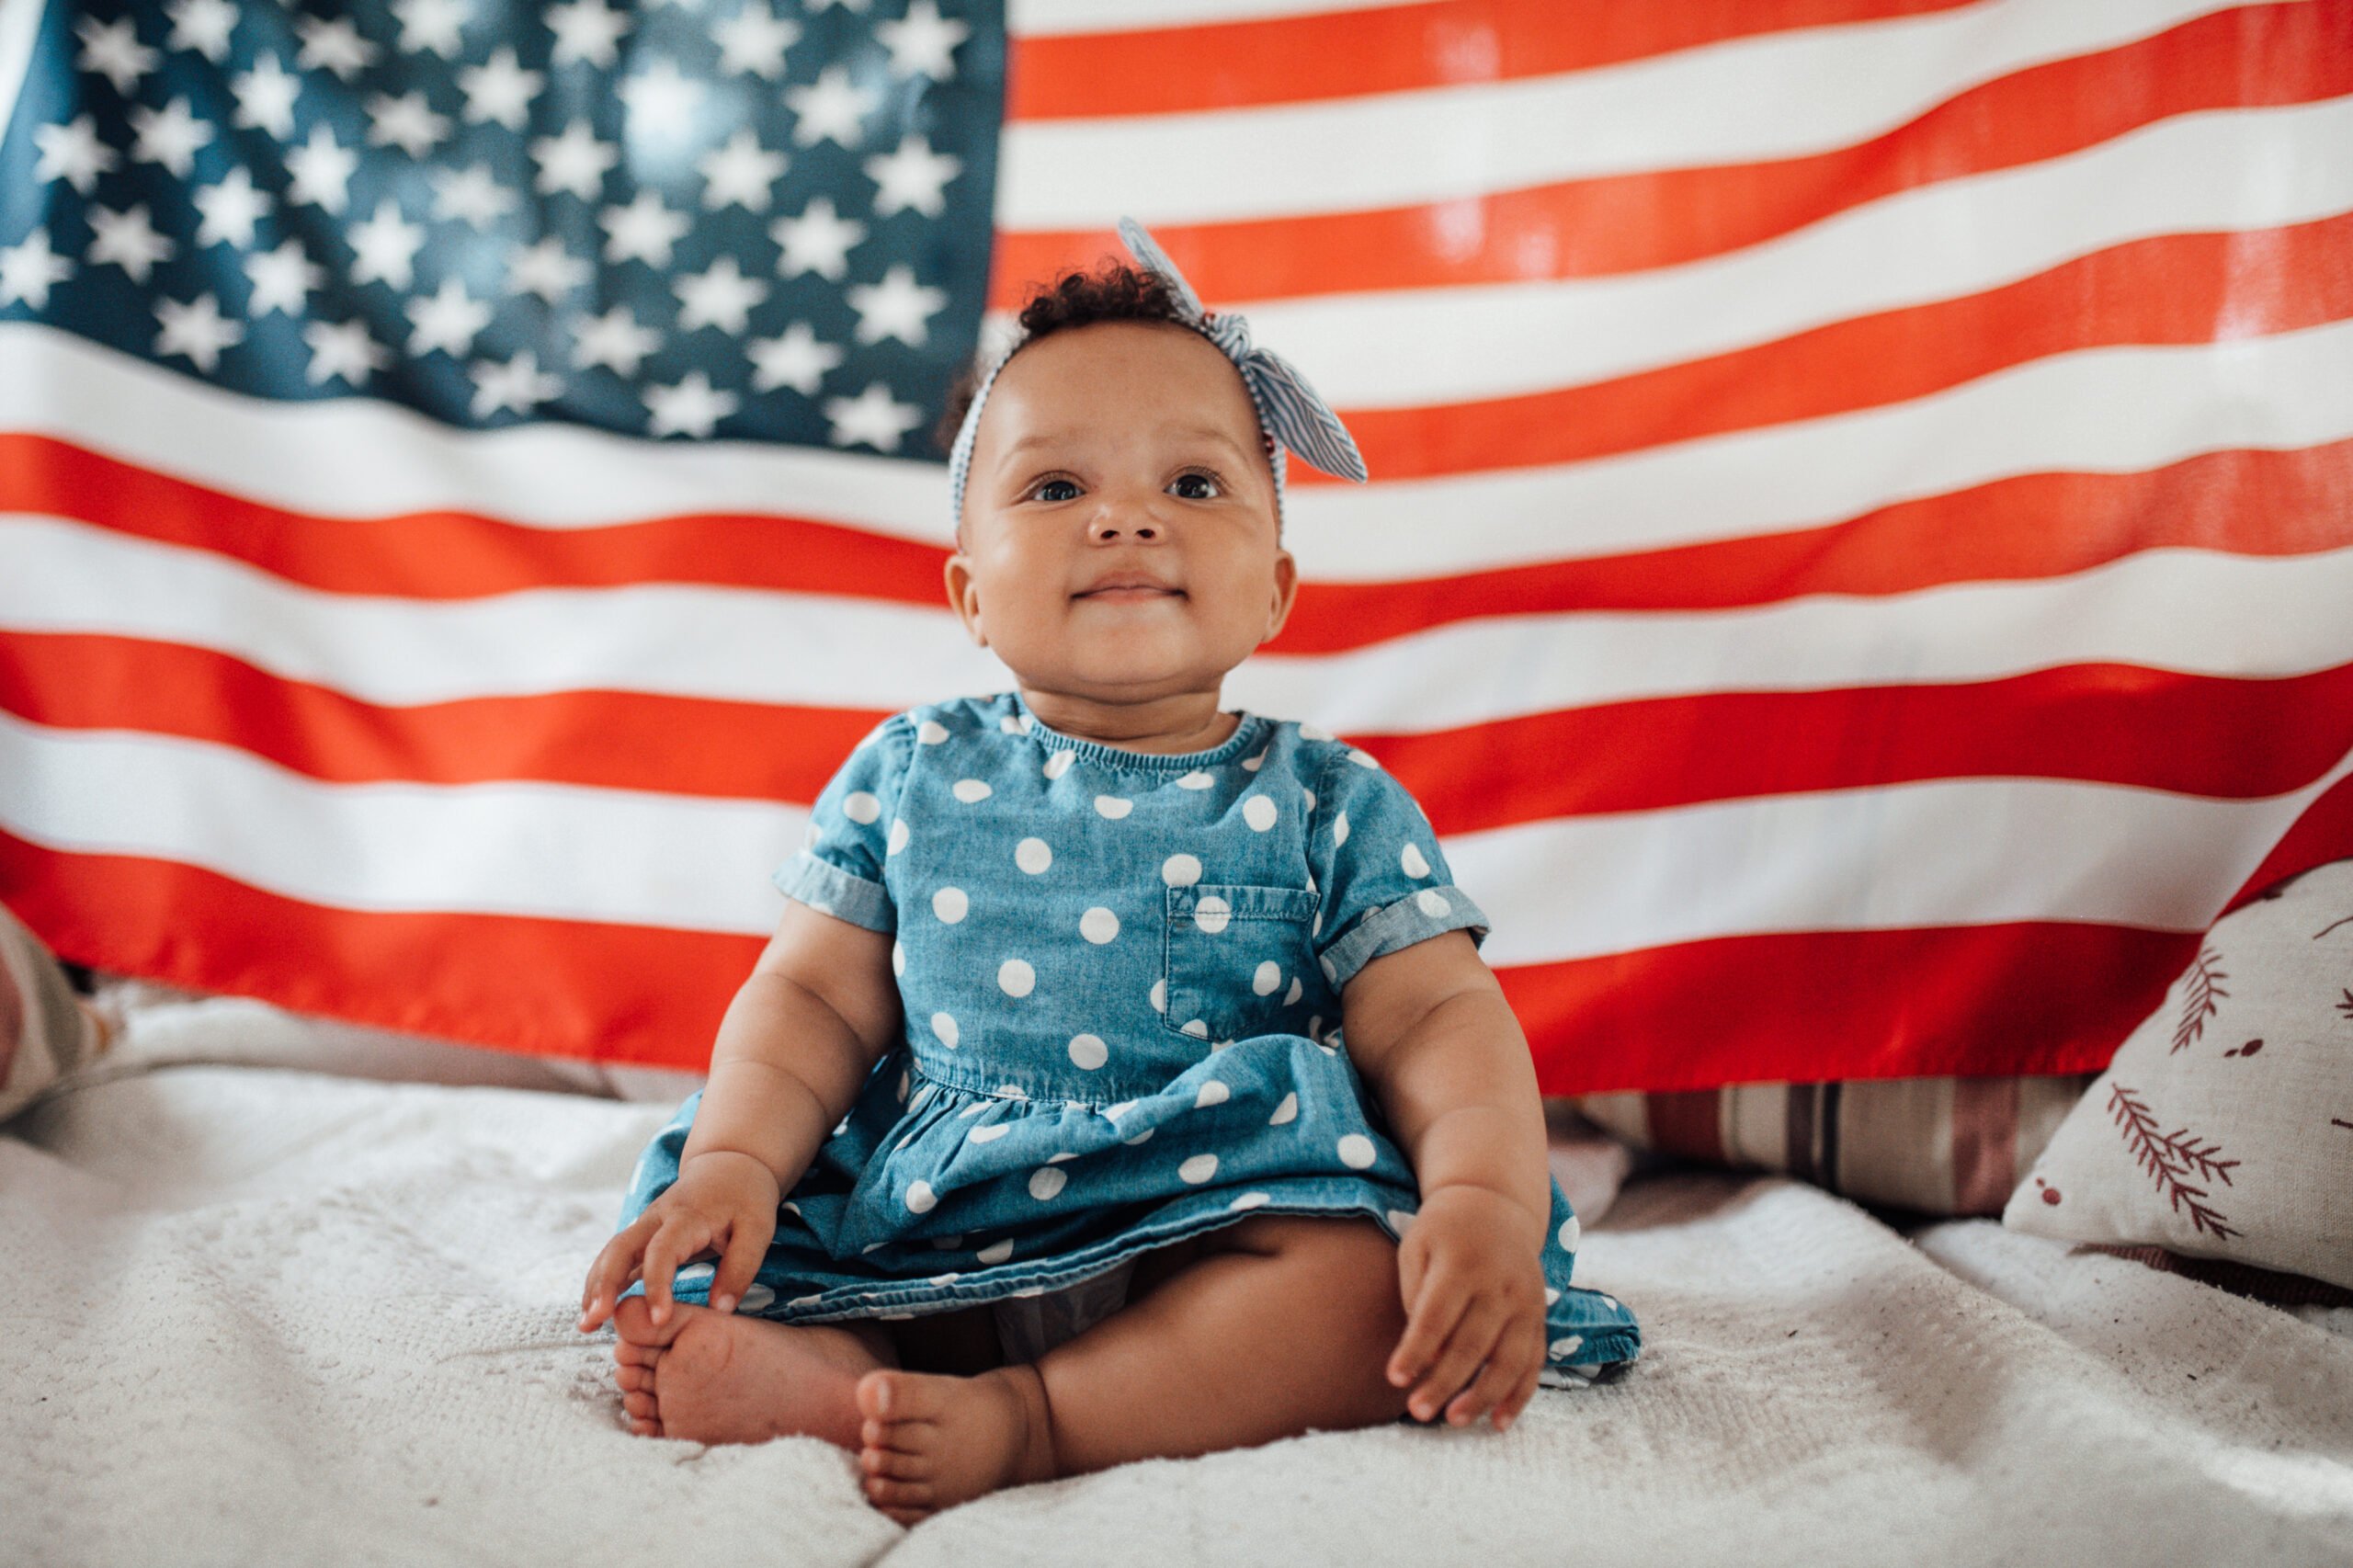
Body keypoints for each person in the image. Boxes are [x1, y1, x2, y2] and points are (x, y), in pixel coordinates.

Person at [576, 219, 1641, 1524]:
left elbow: (1436, 1014)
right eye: (1055, 488)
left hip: (1213, 1227)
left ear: (1275, 591)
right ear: (970, 595)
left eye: (1194, 486)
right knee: (702, 1259)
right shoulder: (906, 775)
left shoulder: (1325, 805)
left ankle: (1040, 1418)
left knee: (1367, 1287)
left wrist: (1479, 1197)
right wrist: (735, 1162)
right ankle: (842, 1374)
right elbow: (812, 1000)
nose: (1126, 516)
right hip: (945, 1219)